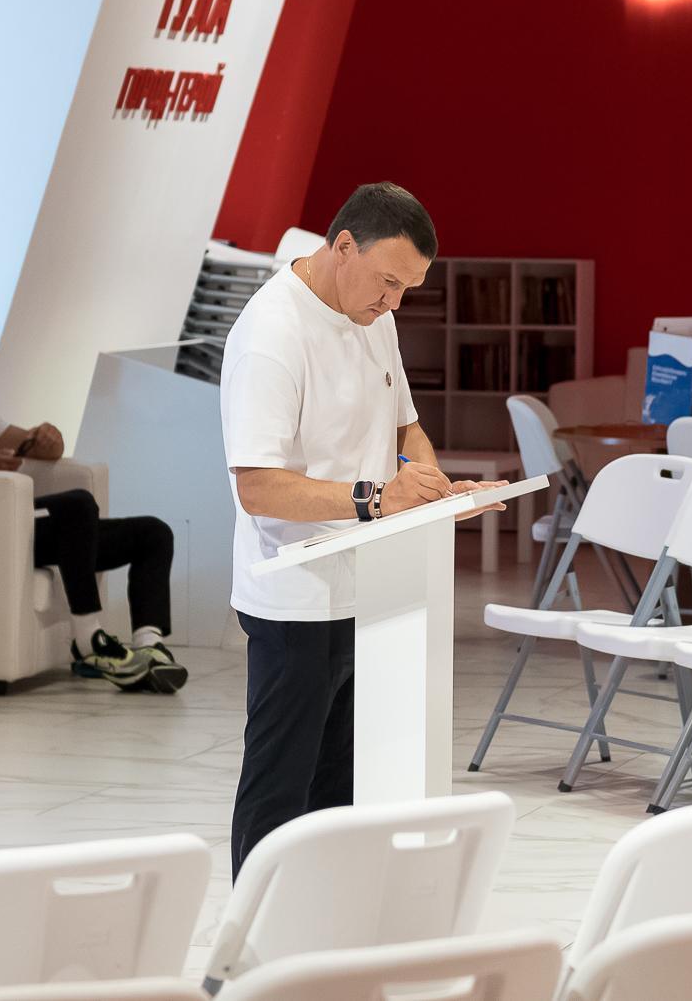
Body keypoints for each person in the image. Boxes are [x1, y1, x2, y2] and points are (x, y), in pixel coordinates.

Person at [221, 182, 502, 874]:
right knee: (279, 786)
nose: (394, 303)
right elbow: (257, 486)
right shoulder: (271, 334)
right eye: (388, 282)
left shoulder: (375, 317)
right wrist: (379, 499)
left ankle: (326, 918)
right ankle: (256, 929)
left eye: (407, 288)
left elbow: (406, 427)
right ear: (343, 245)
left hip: (367, 585)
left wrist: (433, 488)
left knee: (342, 787)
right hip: (294, 595)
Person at [0, 309, 186, 694]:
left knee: (153, 532)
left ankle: (149, 644)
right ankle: (88, 640)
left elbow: (45, 450)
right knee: (77, 504)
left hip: (21, 526)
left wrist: (49, 438)